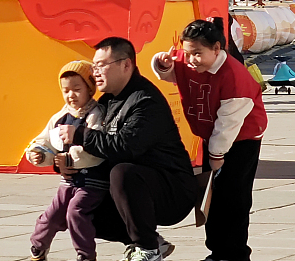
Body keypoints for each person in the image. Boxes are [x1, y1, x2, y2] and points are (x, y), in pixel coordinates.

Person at [58, 37, 196, 261]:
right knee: (79, 208)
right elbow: (88, 147)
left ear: (126, 65)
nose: (95, 73)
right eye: (94, 66)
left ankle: (147, 249)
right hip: (132, 191)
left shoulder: (145, 101)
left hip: (171, 190)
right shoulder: (105, 102)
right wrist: (64, 163)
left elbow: (125, 147)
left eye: (101, 65)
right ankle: (151, 243)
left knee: (122, 172)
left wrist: (82, 135)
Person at [152, 18, 268, 261]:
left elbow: (228, 126)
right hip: (211, 136)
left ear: (217, 48)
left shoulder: (235, 78)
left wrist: (216, 156)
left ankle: (235, 252)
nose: (192, 59)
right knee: (211, 196)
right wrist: (162, 65)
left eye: (198, 53)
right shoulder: (190, 62)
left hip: (241, 141)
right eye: (188, 53)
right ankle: (216, 249)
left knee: (234, 197)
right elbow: (174, 74)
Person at [26, 61, 108, 261]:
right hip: (68, 181)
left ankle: (85, 255)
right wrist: (39, 153)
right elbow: (45, 140)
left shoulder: (95, 114)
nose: (71, 95)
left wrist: (70, 159)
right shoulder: (60, 117)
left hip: (93, 182)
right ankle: (38, 246)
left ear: (89, 89)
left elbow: (95, 148)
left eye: (77, 89)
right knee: (52, 215)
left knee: (76, 212)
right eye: (66, 90)